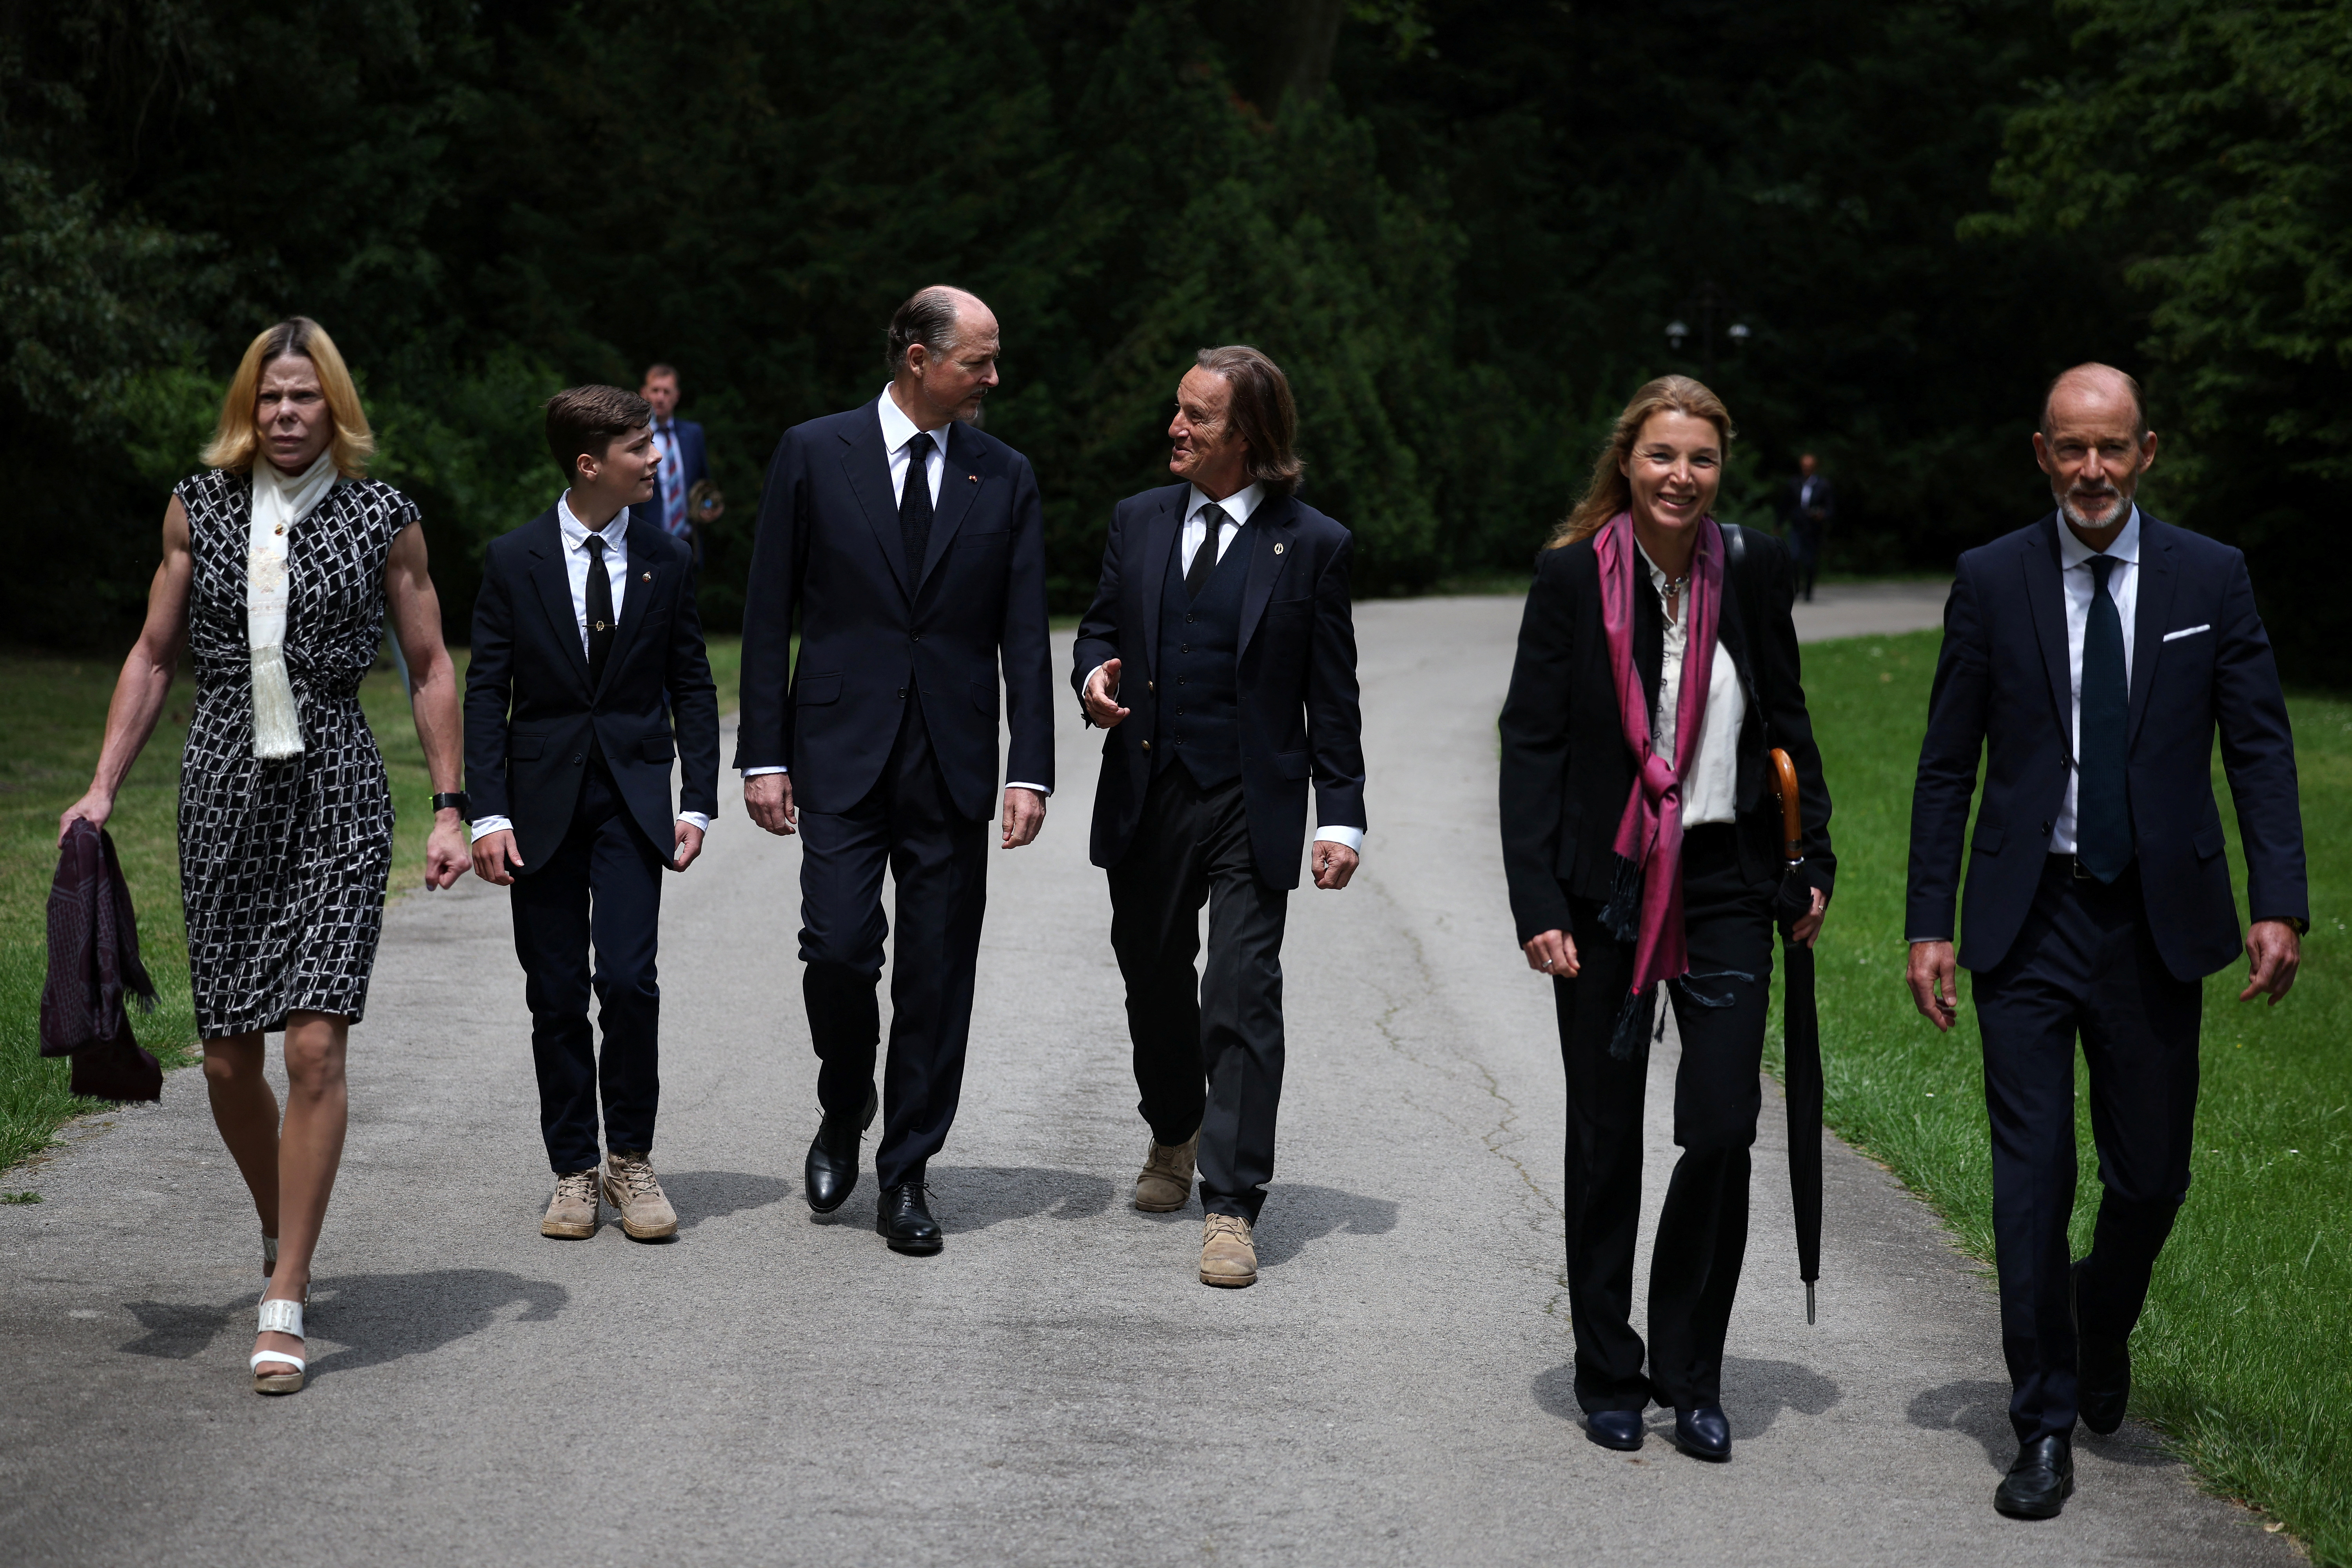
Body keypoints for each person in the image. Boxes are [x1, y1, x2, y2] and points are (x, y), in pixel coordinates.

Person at [1904, 363, 2306, 1520]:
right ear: (2040, 452)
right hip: (2023, 924)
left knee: (2150, 1175)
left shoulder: (2208, 576)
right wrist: (1927, 921)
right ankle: (2038, 1421)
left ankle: (2097, 1314)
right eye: (2070, 448)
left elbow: (2260, 749)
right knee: (2030, 1182)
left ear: (2144, 453)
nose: (2090, 469)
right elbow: (1943, 765)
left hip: (2153, 923)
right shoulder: (1990, 578)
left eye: (2110, 448)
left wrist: (2273, 899)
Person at [60, 317, 470, 1394]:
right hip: (223, 787)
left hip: (336, 783)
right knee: (234, 1059)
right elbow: (153, 654)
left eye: (306, 398)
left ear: (335, 405)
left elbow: (430, 666)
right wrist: (103, 786)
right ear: (250, 407)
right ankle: (278, 1221)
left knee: (314, 1052)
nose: (288, 415)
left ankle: (284, 1291)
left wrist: (448, 807)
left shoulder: (387, 518)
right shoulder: (198, 509)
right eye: (271, 398)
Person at [1498, 376, 1833, 1461]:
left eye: (1699, 459)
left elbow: (1786, 715)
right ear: (1627, 465)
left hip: (1730, 882)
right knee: (1603, 1136)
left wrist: (1811, 854)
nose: (1680, 476)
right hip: (1602, 891)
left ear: (1719, 468)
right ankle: (1609, 1370)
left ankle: (1692, 1372)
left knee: (1724, 1127)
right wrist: (1536, 900)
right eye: (1660, 457)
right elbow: (1534, 747)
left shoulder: (1757, 569)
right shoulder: (1569, 581)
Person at [737, 285, 1053, 1256]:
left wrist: (1029, 768)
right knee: (836, 946)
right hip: (839, 748)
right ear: (918, 358)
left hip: (953, 760)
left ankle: (908, 1169)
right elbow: (765, 610)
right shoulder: (812, 451)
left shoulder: (1004, 475)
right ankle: (845, 1101)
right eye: (979, 361)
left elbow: (1024, 635)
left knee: (935, 975)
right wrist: (764, 751)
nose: (994, 378)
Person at [1073, 346, 1366, 1289]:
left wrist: (1343, 816)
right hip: (1150, 791)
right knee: (1154, 978)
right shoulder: (1138, 520)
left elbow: (1334, 693)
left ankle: (1231, 1202)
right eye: (1178, 409)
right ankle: (1173, 1128)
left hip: (1252, 798)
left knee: (1240, 993)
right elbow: (1102, 625)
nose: (1176, 426)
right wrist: (1093, 671)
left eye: (1197, 416)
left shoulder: (1312, 542)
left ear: (1248, 436)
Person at [464, 386, 720, 1242]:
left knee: (628, 980)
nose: (655, 460)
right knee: (557, 993)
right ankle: (574, 1170)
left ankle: (632, 1162)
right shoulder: (513, 558)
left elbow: (693, 684)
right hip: (536, 810)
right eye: (639, 448)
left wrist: (699, 800)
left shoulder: (667, 558)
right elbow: (485, 694)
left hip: (632, 806)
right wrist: (484, 814)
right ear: (589, 463)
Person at [632, 364, 711, 564]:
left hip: (687, 544)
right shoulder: (634, 437)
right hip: (646, 544)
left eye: (667, 392)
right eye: (655, 390)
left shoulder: (693, 434)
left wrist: (709, 507)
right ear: (644, 393)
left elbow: (705, 484)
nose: (660, 398)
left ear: (677, 396)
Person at [1779, 452, 1833, 603]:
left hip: (1814, 529)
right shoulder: (1794, 483)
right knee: (1794, 557)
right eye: (1804, 467)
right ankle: (1796, 587)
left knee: (1810, 562)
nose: (1807, 470)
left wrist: (1822, 515)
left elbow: (1830, 509)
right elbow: (1785, 505)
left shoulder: (1823, 485)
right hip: (1797, 527)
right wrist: (1779, 524)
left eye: (1810, 467)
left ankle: (1809, 591)